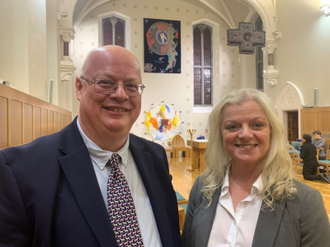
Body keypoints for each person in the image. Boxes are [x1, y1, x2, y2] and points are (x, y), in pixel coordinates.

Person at [0, 45, 181, 246]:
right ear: (79, 87)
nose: (121, 94)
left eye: (131, 86)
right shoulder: (20, 170)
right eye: (105, 82)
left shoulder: (156, 157)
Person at [182, 88, 330, 247]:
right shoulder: (202, 187)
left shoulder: (306, 202)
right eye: (232, 126)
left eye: (257, 125)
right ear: (220, 134)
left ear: (271, 131)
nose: (245, 134)